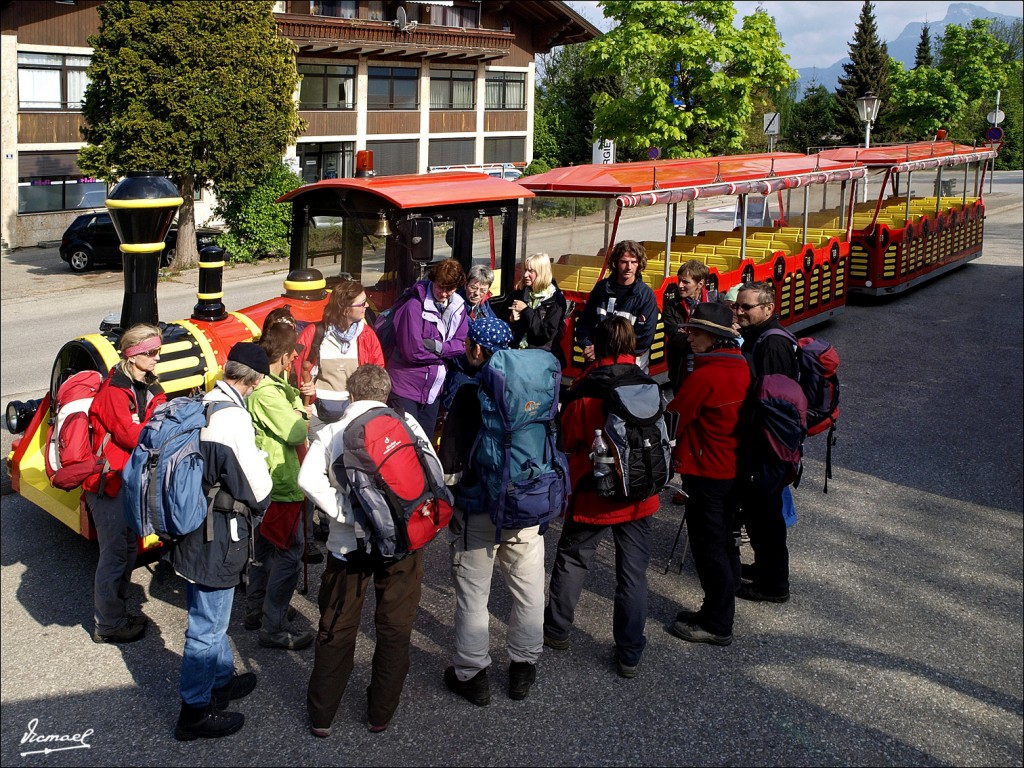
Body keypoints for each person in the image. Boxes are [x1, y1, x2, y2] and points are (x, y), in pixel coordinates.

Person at [298, 364, 434, 738]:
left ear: (351, 395)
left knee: (337, 627)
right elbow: (431, 469)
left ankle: (322, 716)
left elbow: (306, 479)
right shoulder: (407, 424)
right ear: (386, 394)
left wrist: (345, 513)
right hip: (402, 544)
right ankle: (380, 713)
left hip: (349, 545)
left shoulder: (332, 433)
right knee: (394, 628)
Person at [542, 317, 659, 679]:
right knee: (633, 574)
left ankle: (557, 631)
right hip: (639, 494)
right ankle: (629, 653)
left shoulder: (586, 388)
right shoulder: (647, 384)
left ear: (599, 345)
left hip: (595, 494)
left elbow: (568, 441)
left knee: (573, 561)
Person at [438, 316, 546, 706]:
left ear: (477, 350)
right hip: (526, 505)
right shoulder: (535, 387)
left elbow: (450, 464)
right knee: (528, 589)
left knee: (473, 594)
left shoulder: (469, 393)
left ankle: (472, 674)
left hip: (479, 509)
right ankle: (523, 667)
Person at [172, 342, 273, 741]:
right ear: (255, 379)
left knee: (210, 615)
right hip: (216, 535)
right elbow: (258, 489)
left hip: (192, 524)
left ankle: (220, 680)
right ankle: (194, 712)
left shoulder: (205, 401)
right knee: (207, 626)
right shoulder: (231, 419)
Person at [665, 303, 751, 646]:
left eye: (696, 333)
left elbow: (674, 418)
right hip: (732, 469)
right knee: (726, 542)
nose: (689, 337)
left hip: (707, 472)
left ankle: (717, 622)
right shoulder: (740, 366)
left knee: (709, 547)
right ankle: (718, 608)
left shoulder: (706, 374)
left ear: (715, 338)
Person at [84, 323, 167, 644]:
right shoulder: (113, 392)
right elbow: (132, 436)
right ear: (132, 356)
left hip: (127, 482)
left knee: (128, 551)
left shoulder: (146, 386)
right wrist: (160, 416)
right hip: (107, 486)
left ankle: (116, 614)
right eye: (151, 353)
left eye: (158, 351)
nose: (157, 358)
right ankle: (108, 625)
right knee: (115, 555)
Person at [245, 323, 317, 650]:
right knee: (289, 552)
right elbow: (296, 432)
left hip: (268, 481)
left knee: (264, 549)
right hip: (282, 482)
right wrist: (302, 410)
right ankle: (273, 624)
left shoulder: (265, 384)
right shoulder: (266, 392)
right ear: (287, 357)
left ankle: (256, 609)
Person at [732, 281, 799, 603]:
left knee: (766, 515)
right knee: (759, 514)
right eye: (737, 306)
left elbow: (771, 401)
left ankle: (774, 585)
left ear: (768, 309)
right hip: (764, 444)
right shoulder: (759, 337)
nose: (739, 312)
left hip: (767, 446)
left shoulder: (772, 345)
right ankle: (764, 568)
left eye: (747, 307)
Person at [387, 258, 469, 436]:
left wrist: (438, 348)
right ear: (433, 280)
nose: (444, 293)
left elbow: (462, 344)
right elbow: (412, 352)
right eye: (440, 287)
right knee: (406, 442)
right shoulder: (413, 306)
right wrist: (447, 354)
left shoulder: (458, 308)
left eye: (450, 289)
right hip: (405, 387)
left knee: (426, 444)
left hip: (433, 389)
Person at [296, 280, 385, 424]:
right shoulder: (313, 333)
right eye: (362, 303)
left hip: (354, 415)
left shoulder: (367, 335)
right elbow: (296, 369)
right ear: (345, 309)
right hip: (318, 414)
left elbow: (377, 373)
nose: (367, 306)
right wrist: (304, 386)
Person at [575, 240, 659, 372]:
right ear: (615, 263)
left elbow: (644, 339)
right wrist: (588, 346)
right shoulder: (601, 288)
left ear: (639, 264)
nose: (629, 267)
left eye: (634, 262)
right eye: (624, 262)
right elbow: (584, 324)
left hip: (631, 369)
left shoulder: (646, 296)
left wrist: (605, 351)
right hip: (597, 365)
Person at [508, 252, 568, 365]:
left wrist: (526, 310)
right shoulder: (518, 294)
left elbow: (545, 332)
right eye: (525, 270)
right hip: (516, 355)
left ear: (542, 273)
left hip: (542, 359)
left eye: (531, 271)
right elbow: (501, 323)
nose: (525, 275)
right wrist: (511, 319)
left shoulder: (556, 300)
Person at [662, 259, 710, 394]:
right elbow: (675, 337)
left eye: (685, 282)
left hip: (706, 367)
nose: (680, 285)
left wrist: (687, 334)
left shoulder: (715, 302)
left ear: (700, 284)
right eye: (679, 280)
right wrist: (703, 337)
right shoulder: (672, 306)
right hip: (680, 369)